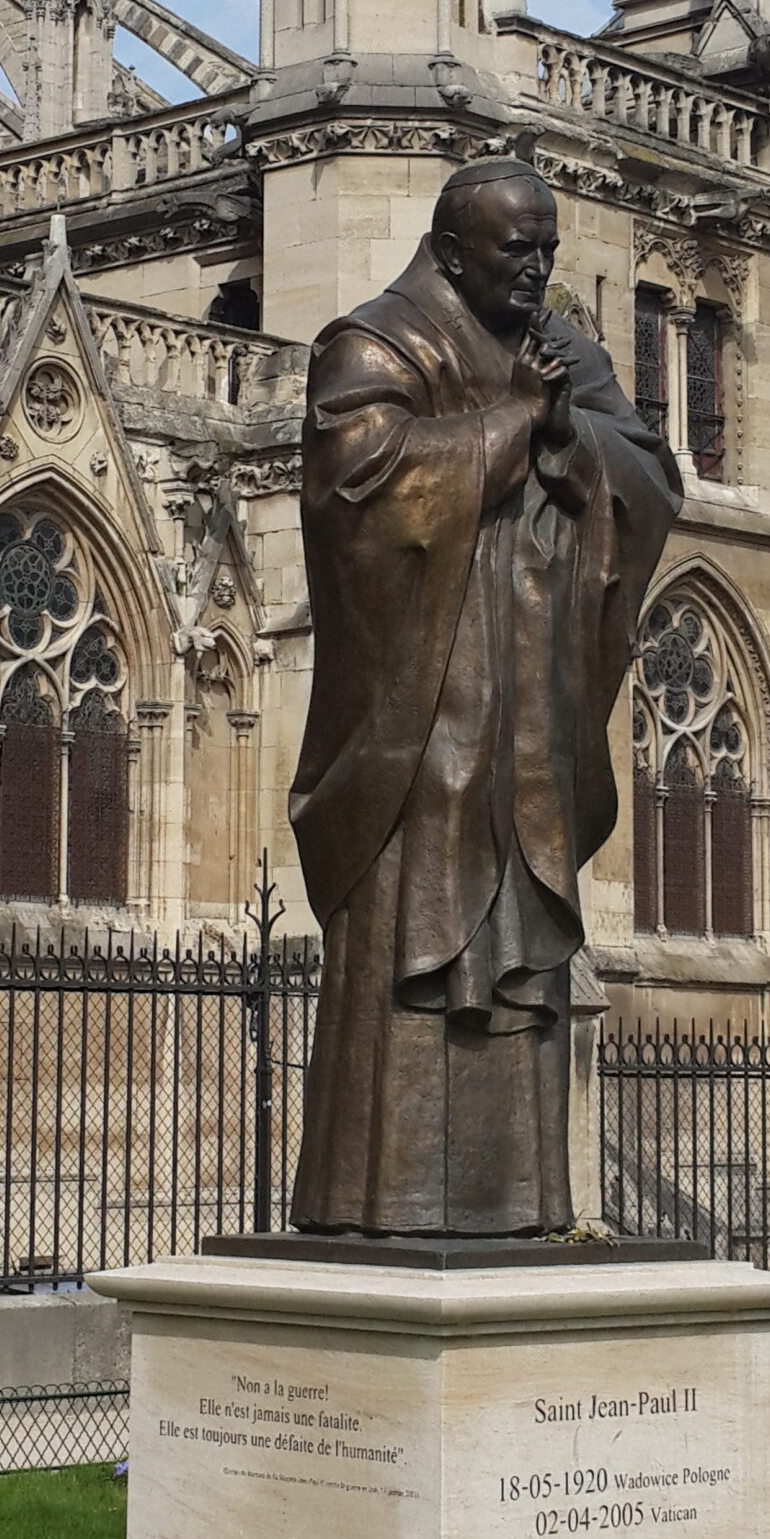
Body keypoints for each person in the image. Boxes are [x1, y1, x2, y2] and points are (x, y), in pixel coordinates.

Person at [288, 158, 681, 1235]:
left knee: (526, 943)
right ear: (453, 252)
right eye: (519, 250)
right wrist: (513, 423)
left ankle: (518, 1204)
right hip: (422, 721)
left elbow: (650, 477)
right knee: (409, 941)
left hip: (532, 714)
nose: (539, 269)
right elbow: (361, 491)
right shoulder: (371, 345)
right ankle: (380, 1202)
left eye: (549, 249)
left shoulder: (563, 351)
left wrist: (563, 433)